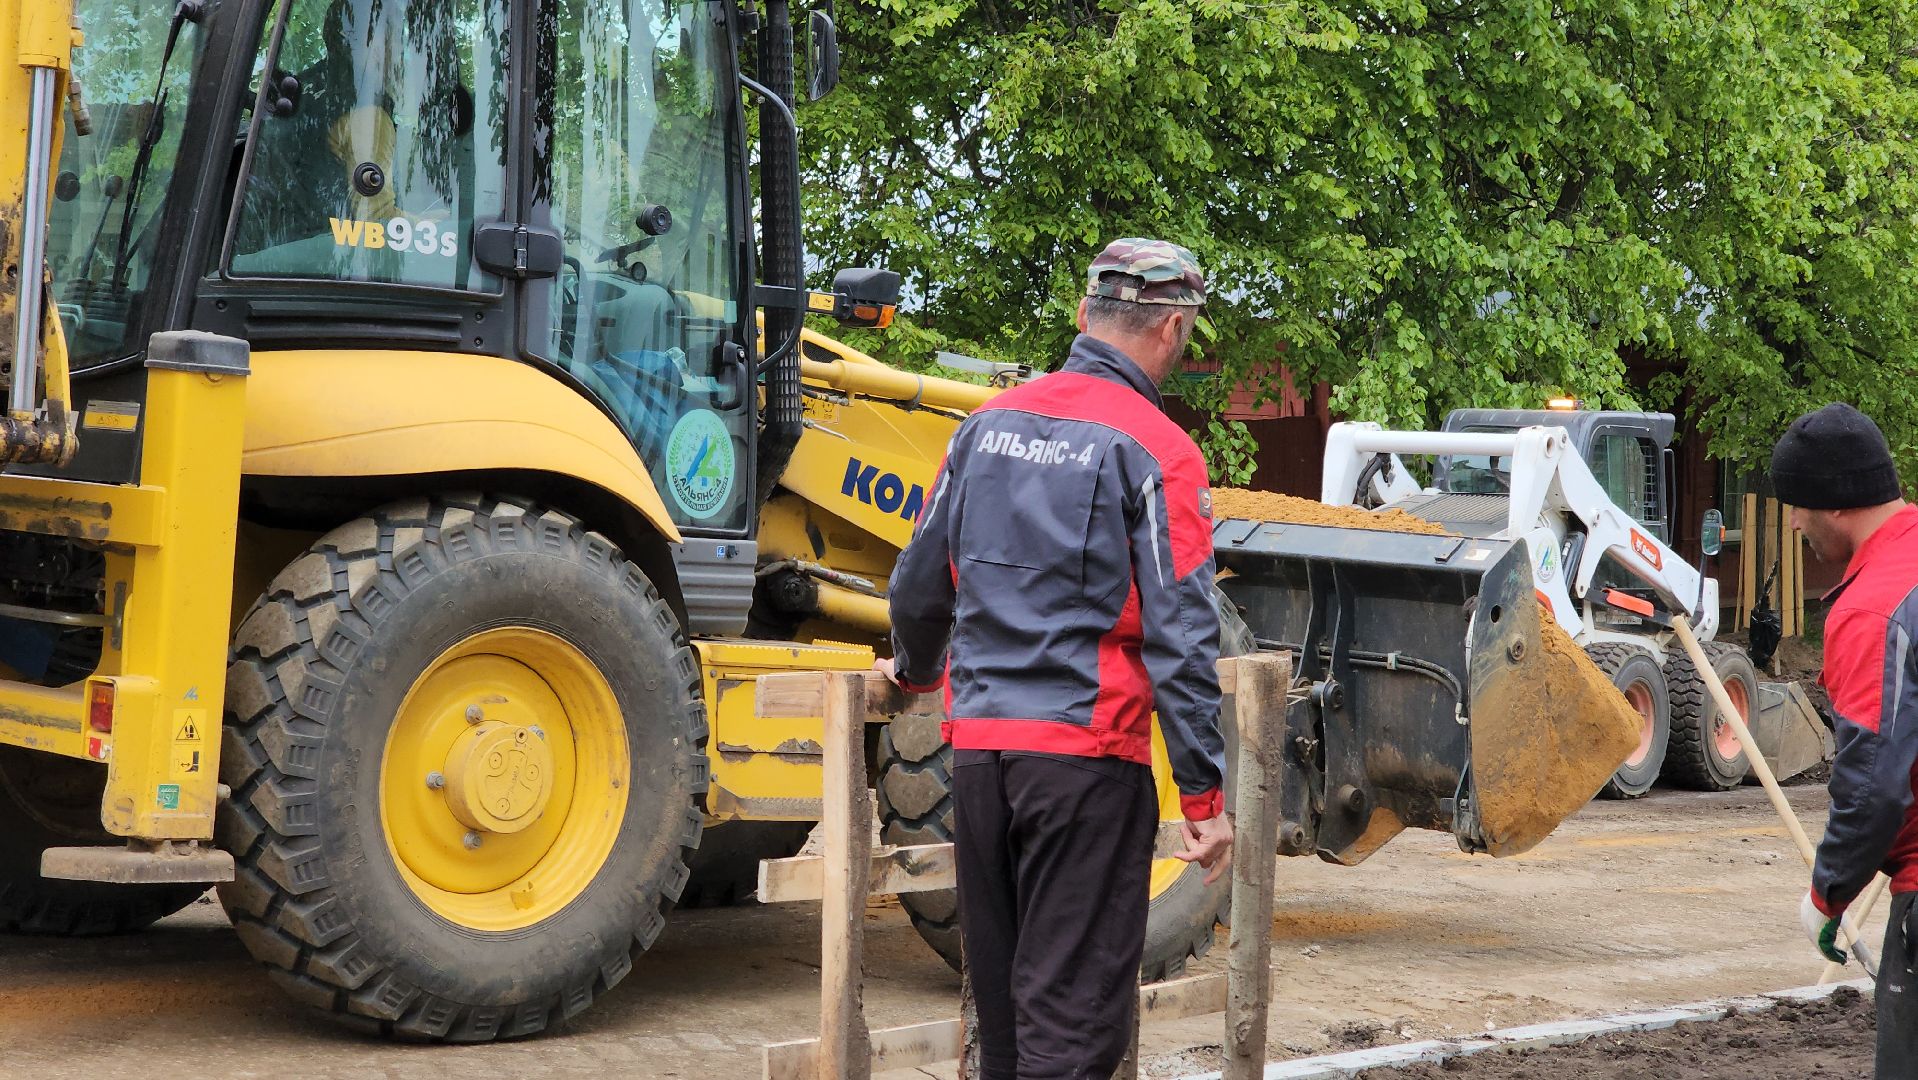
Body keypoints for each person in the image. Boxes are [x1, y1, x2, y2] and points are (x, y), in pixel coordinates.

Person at [877, 238, 1235, 1079]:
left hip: (979, 764)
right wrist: (1204, 797)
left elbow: (919, 585)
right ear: (1173, 329)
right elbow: (1183, 633)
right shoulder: (1159, 451)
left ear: (1082, 315)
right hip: (1086, 765)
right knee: (1072, 1030)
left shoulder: (982, 429)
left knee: (1003, 1021)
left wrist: (917, 671)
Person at [1776, 404, 1918, 1077]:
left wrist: (1828, 894)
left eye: (1798, 506)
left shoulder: (1872, 607)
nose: (1794, 524)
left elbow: (1872, 784)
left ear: (1833, 502)